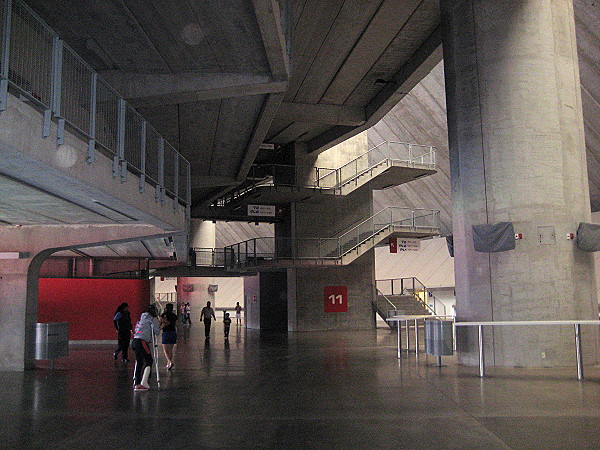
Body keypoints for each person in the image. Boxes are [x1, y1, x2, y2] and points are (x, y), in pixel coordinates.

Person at [131, 304, 160, 391]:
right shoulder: (153, 319)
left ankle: (137, 382)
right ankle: (144, 382)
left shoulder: (142, 317)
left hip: (135, 340)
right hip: (142, 341)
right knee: (149, 360)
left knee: (139, 361)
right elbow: (157, 331)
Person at [160, 303, 178, 370]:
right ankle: (168, 363)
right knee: (170, 349)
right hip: (173, 332)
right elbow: (176, 324)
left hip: (166, 333)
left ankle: (170, 362)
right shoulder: (174, 316)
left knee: (165, 349)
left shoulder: (163, 315)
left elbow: (160, 323)